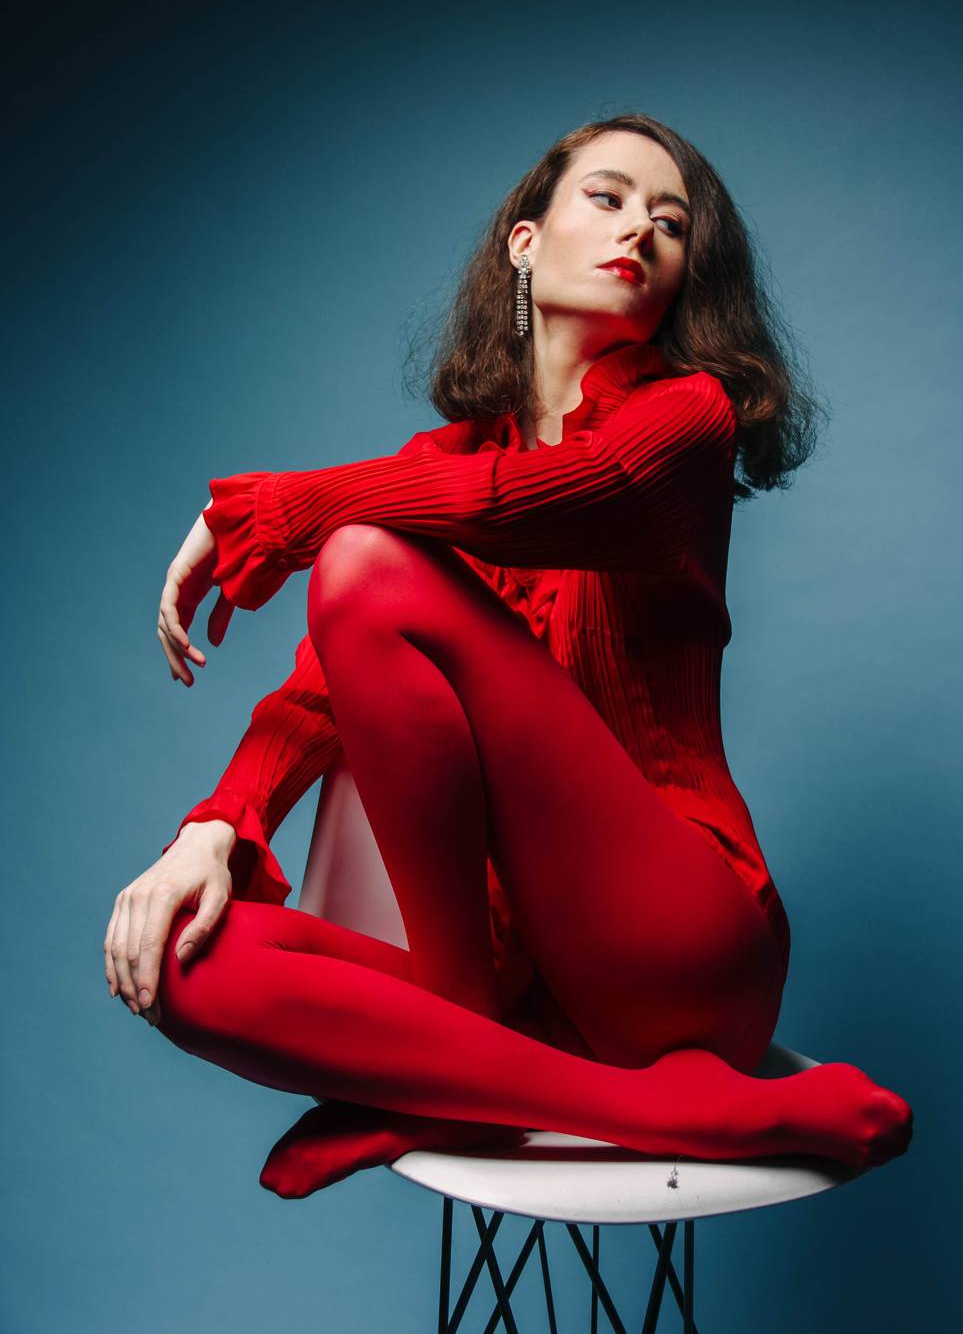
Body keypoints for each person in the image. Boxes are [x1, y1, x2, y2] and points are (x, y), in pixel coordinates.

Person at [104, 113, 913, 1198]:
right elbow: (317, 696)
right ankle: (584, 1095)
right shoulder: (434, 471)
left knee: (361, 560)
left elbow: (555, 496)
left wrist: (288, 512)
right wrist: (213, 828)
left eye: (671, 224)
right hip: (524, 988)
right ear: (525, 244)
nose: (642, 231)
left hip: (682, 949)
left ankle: (446, 1067)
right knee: (184, 961)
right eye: (609, 198)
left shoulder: (688, 420)